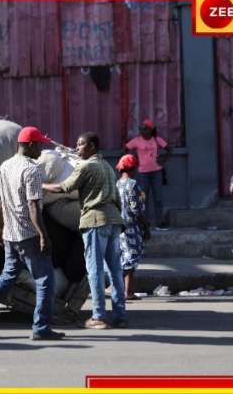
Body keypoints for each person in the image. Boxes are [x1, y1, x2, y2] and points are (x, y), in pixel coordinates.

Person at [0, 126, 64, 341]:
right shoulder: (33, 170)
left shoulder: (5, 166)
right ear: (30, 145)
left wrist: (0, 228)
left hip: (11, 233)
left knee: (8, 275)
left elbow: (0, 200)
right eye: (39, 145)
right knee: (45, 280)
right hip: (28, 233)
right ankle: (41, 327)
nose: (41, 150)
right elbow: (33, 207)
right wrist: (43, 236)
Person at [44, 132, 126, 329]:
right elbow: (117, 196)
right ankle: (120, 315)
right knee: (115, 270)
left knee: (94, 270)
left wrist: (40, 185)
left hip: (95, 220)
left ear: (92, 147)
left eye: (81, 145)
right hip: (113, 220)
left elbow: (64, 187)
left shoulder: (86, 166)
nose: (77, 148)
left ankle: (98, 316)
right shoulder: (107, 167)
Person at [124, 119, 172, 230]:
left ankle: (159, 223)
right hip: (142, 173)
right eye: (141, 128)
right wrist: (133, 161)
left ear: (150, 130)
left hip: (156, 172)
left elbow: (169, 149)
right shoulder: (136, 141)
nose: (142, 130)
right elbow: (125, 149)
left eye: (144, 128)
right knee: (143, 198)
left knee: (158, 198)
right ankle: (144, 223)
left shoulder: (156, 139)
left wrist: (164, 158)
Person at [115, 154, 150, 301]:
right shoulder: (132, 184)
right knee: (131, 259)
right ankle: (120, 289)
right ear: (133, 168)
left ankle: (127, 291)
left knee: (125, 258)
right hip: (131, 227)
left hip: (119, 226)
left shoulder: (117, 184)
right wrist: (145, 227)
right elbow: (136, 209)